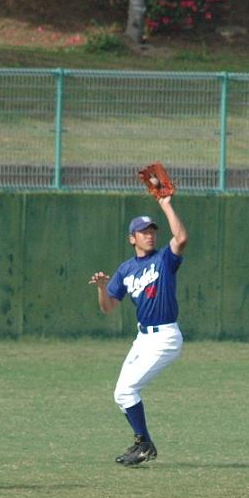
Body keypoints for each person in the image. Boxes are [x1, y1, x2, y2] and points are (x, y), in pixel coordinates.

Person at [87, 192, 188, 466]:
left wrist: (166, 204)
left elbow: (180, 239)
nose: (150, 235)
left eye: (152, 231)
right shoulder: (126, 269)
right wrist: (101, 288)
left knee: (128, 390)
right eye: (144, 232)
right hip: (143, 339)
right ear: (132, 238)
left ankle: (144, 445)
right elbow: (108, 307)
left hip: (165, 337)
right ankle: (143, 444)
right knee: (121, 393)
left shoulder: (164, 260)